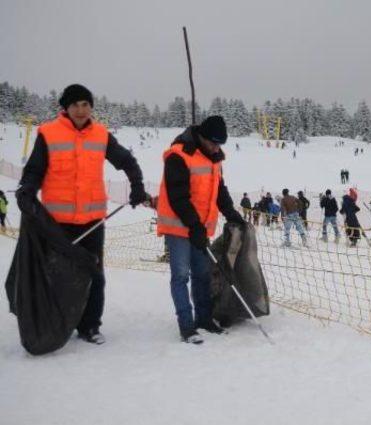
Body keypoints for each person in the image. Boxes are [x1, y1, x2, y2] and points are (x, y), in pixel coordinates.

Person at [16, 84, 150, 345]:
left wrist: (137, 185)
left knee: (95, 274)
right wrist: (27, 189)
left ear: (91, 107)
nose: (81, 110)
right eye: (75, 105)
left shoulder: (100, 134)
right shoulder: (49, 133)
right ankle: (56, 320)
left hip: (92, 221)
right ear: (65, 108)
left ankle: (89, 326)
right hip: (57, 223)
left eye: (85, 104)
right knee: (56, 274)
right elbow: (34, 170)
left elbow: (126, 160)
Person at [156, 115, 245, 344]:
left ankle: (204, 319)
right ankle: (186, 326)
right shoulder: (179, 155)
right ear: (201, 136)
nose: (216, 147)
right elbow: (178, 196)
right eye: (212, 142)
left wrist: (231, 213)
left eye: (220, 144)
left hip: (200, 229)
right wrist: (193, 226)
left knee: (202, 274)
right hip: (178, 227)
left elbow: (219, 190)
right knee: (180, 275)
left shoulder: (215, 159)